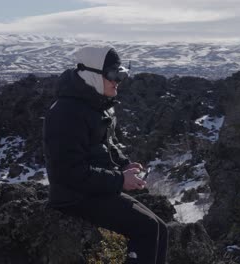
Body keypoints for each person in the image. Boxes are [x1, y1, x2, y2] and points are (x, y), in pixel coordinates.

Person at [43, 45, 168, 264]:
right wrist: (120, 180)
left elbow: (106, 146)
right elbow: (67, 171)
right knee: (146, 228)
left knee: (160, 228)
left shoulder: (95, 104)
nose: (117, 81)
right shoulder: (66, 112)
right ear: (91, 74)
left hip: (93, 189)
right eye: (112, 75)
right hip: (73, 196)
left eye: (121, 75)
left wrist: (124, 165)